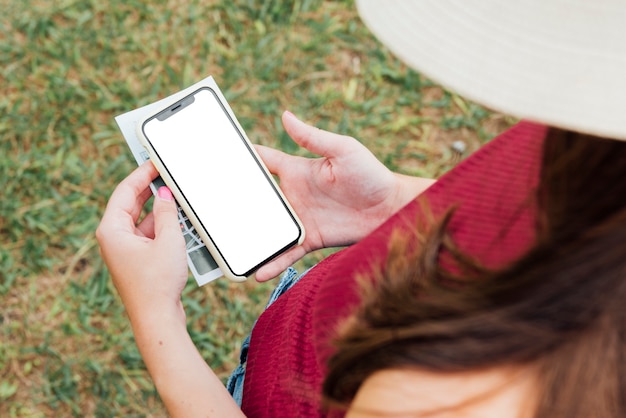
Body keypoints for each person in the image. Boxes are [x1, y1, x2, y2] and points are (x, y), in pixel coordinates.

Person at [96, 1, 626, 417]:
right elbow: (545, 218)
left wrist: (156, 318)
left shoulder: (465, 396)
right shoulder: (603, 118)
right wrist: (390, 203)